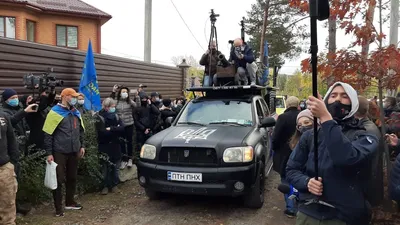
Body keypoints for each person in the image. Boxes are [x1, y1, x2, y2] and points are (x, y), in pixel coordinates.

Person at [286, 82, 378, 225]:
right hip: (309, 214)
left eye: (344, 96)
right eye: (333, 96)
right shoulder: (310, 136)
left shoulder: (365, 136)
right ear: (327, 101)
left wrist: (325, 118)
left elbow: (345, 158)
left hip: (344, 217)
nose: (338, 100)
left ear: (353, 102)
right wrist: (307, 182)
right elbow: (291, 169)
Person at [43, 88, 85, 217]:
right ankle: (58, 208)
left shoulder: (75, 112)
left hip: (74, 150)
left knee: (72, 177)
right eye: (73, 97)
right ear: (65, 97)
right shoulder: (54, 113)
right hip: (59, 151)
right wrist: (49, 153)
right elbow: (48, 134)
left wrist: (82, 146)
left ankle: (70, 202)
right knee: (59, 179)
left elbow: (81, 130)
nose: (75, 99)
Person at [271, 96, 300, 217]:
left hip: (284, 154)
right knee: (299, 179)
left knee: (286, 179)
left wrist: (274, 149)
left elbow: (276, 136)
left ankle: (291, 208)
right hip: (300, 153)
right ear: (298, 104)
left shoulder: (282, 117)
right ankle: (299, 206)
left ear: (287, 105)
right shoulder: (303, 116)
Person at [94, 98, 124, 195]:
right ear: (106, 107)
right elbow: (102, 132)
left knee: (115, 166)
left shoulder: (116, 116)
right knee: (105, 167)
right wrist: (116, 129)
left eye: (114, 107)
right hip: (104, 146)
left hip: (115, 145)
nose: (114, 108)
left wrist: (111, 128)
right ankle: (105, 186)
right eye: (112, 107)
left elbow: (122, 128)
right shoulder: (99, 117)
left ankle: (114, 185)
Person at [110, 85, 136, 169]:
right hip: (120, 126)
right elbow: (109, 102)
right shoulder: (116, 101)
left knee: (129, 142)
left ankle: (130, 159)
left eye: (126, 92)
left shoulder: (129, 101)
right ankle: (124, 159)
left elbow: (137, 106)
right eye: (123, 92)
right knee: (121, 142)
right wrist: (113, 91)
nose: (125, 93)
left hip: (129, 124)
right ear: (120, 93)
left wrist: (137, 96)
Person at [0, 112, 19, 225]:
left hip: (4, 168)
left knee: (8, 205)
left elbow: (12, 140)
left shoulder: (3, 116)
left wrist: (12, 164)